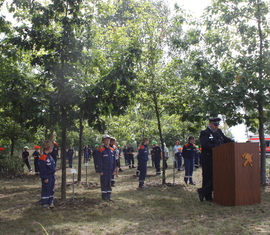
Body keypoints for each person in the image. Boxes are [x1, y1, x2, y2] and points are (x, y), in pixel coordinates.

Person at [197, 117, 234, 202]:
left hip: (218, 159)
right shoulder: (204, 133)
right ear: (210, 124)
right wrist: (218, 148)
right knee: (208, 177)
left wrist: (234, 142)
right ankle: (207, 196)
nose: (216, 127)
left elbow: (225, 140)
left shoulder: (219, 132)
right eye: (215, 125)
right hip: (208, 159)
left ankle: (203, 191)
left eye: (217, 125)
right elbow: (205, 144)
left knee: (218, 176)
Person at [39, 140, 56, 209]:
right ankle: (44, 203)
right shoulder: (43, 157)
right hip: (47, 176)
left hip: (52, 176)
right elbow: (42, 169)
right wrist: (44, 177)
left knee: (51, 189)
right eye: (52, 148)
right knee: (46, 189)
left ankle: (50, 201)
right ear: (49, 148)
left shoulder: (50, 156)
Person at [98, 135, 116, 201]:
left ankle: (108, 195)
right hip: (104, 169)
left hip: (110, 169)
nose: (107, 141)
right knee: (104, 182)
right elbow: (99, 161)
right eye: (106, 140)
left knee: (109, 183)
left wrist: (114, 169)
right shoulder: (101, 150)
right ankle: (104, 196)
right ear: (103, 141)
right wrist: (100, 170)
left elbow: (114, 161)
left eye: (108, 140)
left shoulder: (112, 150)